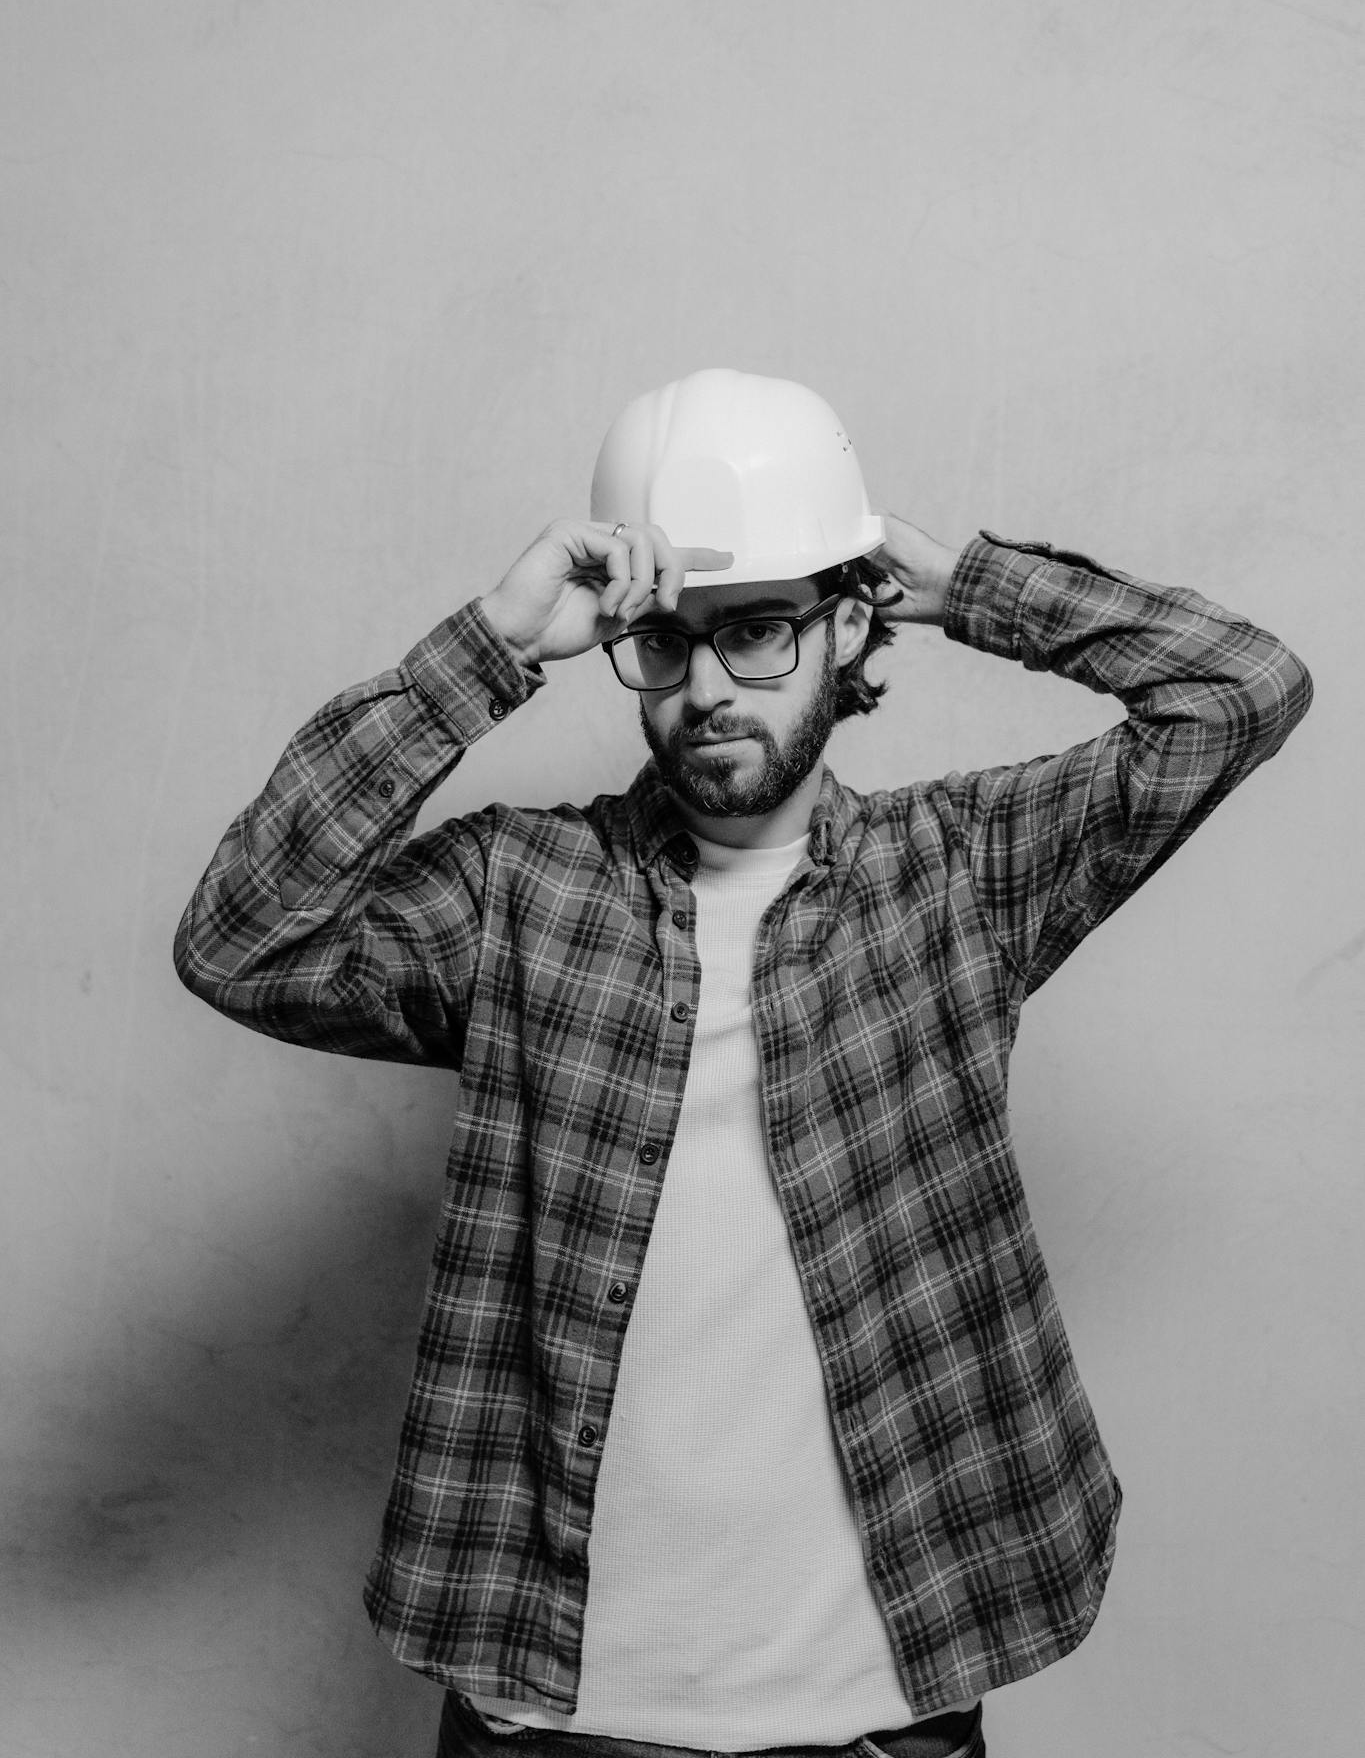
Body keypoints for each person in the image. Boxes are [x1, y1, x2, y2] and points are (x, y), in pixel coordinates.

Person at [175, 368, 1312, 1758]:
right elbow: (243, 941)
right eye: (665, 643)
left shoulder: (959, 872)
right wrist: (494, 643)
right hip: (555, 1708)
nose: (706, 688)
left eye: (759, 631)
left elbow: (1241, 691)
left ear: (848, 624)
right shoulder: (516, 891)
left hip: (875, 1704)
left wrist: (969, 585)